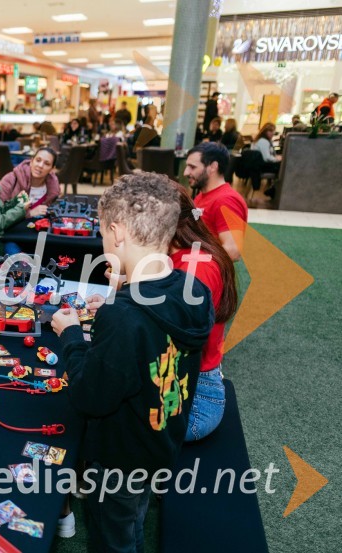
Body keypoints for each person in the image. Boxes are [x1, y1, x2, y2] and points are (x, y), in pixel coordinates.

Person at [50, 173, 213, 553]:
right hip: (160, 441)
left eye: (102, 233)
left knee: (114, 538)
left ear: (118, 232)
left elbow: (89, 395)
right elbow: (148, 336)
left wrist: (71, 335)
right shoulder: (193, 290)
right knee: (133, 523)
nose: (103, 242)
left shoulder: (124, 316)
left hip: (119, 458)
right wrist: (118, 298)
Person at [170, 183, 238, 441]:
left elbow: (170, 340)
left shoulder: (195, 269)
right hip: (183, 385)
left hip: (194, 403)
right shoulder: (182, 257)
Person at [184, 142, 248, 261]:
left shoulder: (226, 201)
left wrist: (192, 259)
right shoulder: (202, 195)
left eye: (192, 167)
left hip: (204, 269)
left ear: (213, 167)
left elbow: (233, 251)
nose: (186, 173)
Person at [0, 147, 59, 213]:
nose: (40, 165)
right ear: (31, 162)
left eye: (47, 164)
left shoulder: (53, 188)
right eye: (38, 160)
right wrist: (30, 213)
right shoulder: (10, 179)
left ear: (52, 169)